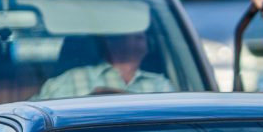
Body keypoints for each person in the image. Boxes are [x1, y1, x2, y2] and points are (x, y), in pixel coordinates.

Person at [35, 30, 175, 99]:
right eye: (122, 35)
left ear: (148, 46)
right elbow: (33, 116)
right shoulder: (70, 78)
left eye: (139, 36)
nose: (131, 41)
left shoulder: (161, 85)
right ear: (107, 42)